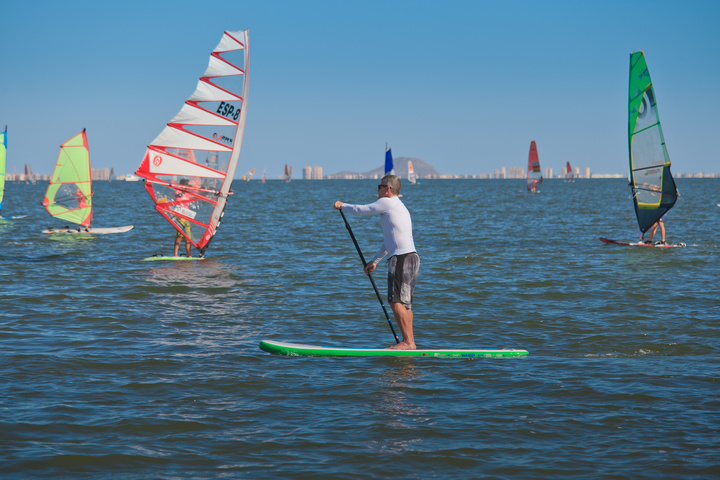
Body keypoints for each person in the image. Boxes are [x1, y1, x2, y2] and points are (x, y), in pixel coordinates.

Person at [334, 174, 420, 350]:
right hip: (411, 256)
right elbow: (390, 240)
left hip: (401, 257)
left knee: (395, 301)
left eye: (379, 187)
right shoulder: (399, 207)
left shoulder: (389, 202)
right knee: (404, 303)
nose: (378, 190)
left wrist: (341, 205)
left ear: (388, 189)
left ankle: (408, 343)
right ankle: (410, 342)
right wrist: (375, 261)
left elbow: (360, 210)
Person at [173, 179, 192, 257]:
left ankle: (189, 255)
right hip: (179, 217)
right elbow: (179, 196)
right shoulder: (178, 192)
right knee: (179, 236)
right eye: (187, 184)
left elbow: (198, 198)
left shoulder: (188, 194)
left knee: (188, 238)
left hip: (187, 217)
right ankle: (175, 254)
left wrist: (205, 192)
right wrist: (185, 189)